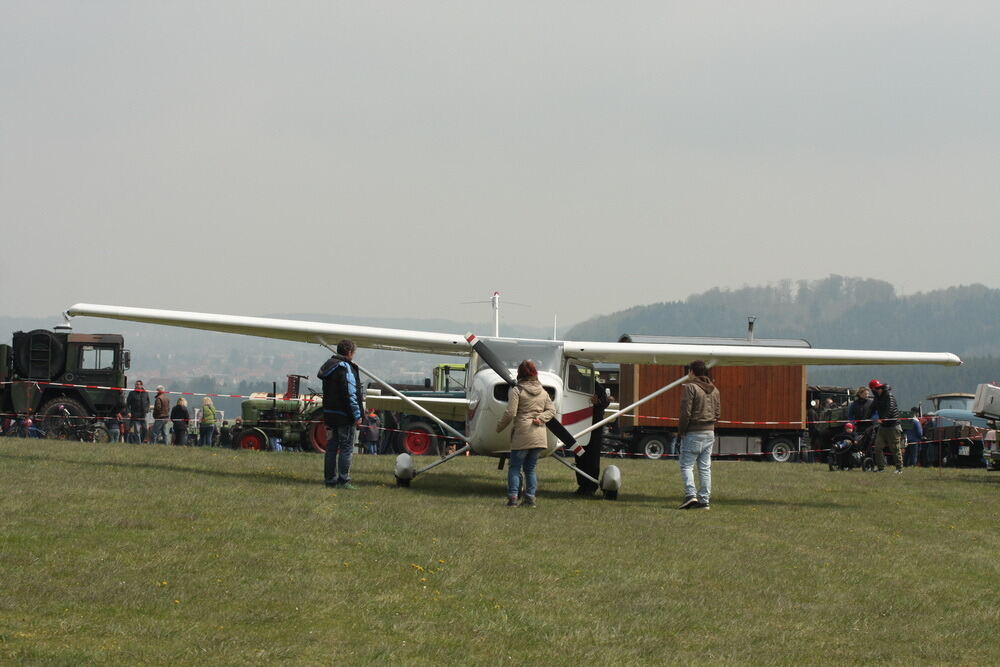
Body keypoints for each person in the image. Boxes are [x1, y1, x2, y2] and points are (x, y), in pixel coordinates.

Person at [496, 360, 555, 508]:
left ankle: (513, 499)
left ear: (520, 374)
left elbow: (510, 412)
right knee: (530, 469)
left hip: (522, 434)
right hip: (539, 436)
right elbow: (552, 410)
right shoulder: (543, 392)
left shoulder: (517, 390)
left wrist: (499, 427)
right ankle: (530, 499)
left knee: (515, 467)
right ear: (535, 374)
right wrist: (541, 418)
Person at [318, 339, 363, 489]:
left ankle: (330, 480)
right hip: (344, 416)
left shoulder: (328, 366)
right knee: (346, 448)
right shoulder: (345, 368)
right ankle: (344, 480)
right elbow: (350, 394)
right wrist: (357, 415)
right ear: (349, 352)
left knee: (331, 448)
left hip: (330, 414)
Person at [677, 360, 720, 510]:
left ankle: (690, 495)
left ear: (692, 372)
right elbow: (717, 413)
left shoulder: (691, 387)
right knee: (704, 467)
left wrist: (681, 430)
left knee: (686, 465)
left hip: (693, 432)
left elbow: (685, 412)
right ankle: (704, 500)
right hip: (710, 432)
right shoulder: (715, 390)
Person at [575, 378, 611, 495]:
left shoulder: (595, 386)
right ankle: (582, 485)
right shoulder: (573, 384)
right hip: (578, 424)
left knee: (592, 456)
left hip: (594, 426)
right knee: (579, 456)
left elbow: (606, 401)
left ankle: (591, 486)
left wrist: (598, 402)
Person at [869, 379, 904, 473]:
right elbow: (871, 408)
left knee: (895, 448)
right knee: (877, 447)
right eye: (876, 388)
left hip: (893, 425)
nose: (878, 389)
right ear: (872, 389)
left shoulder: (889, 396)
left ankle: (899, 469)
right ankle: (881, 468)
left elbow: (890, 408)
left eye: (879, 387)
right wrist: (867, 417)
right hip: (883, 426)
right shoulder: (876, 398)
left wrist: (883, 418)